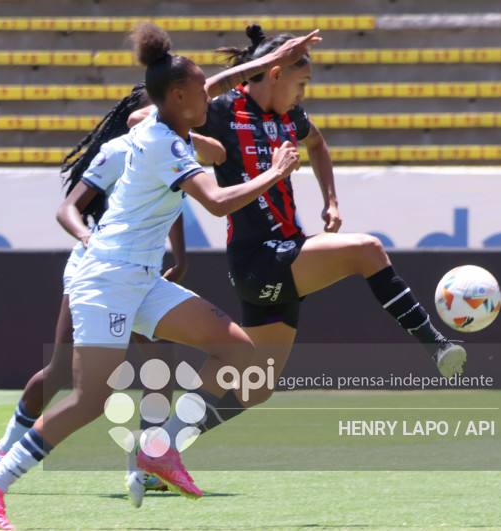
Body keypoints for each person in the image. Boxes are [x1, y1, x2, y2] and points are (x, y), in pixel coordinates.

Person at [0, 22, 318, 530]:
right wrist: (274, 173)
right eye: (200, 89)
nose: (212, 94)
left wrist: (276, 55)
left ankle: (159, 449)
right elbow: (216, 205)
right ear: (177, 96)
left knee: (240, 351)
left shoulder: (169, 124)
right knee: (90, 398)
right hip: (106, 278)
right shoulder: (164, 145)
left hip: (142, 278)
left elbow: (220, 81)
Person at [188, 24, 467, 430]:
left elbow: (316, 144)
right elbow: (153, 116)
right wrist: (197, 144)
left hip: (285, 251)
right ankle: (436, 345)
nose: (304, 94)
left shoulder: (290, 115)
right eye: (301, 83)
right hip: (257, 258)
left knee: (257, 385)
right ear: (276, 73)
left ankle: (162, 445)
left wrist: (331, 200)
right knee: (367, 249)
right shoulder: (221, 110)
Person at [0, 82, 225, 509]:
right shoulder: (120, 149)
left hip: (139, 272)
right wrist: (85, 237)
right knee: (62, 372)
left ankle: (146, 462)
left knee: (156, 364)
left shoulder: (171, 146)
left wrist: (181, 258)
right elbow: (69, 208)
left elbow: (169, 198)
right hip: (97, 268)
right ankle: (7, 446)